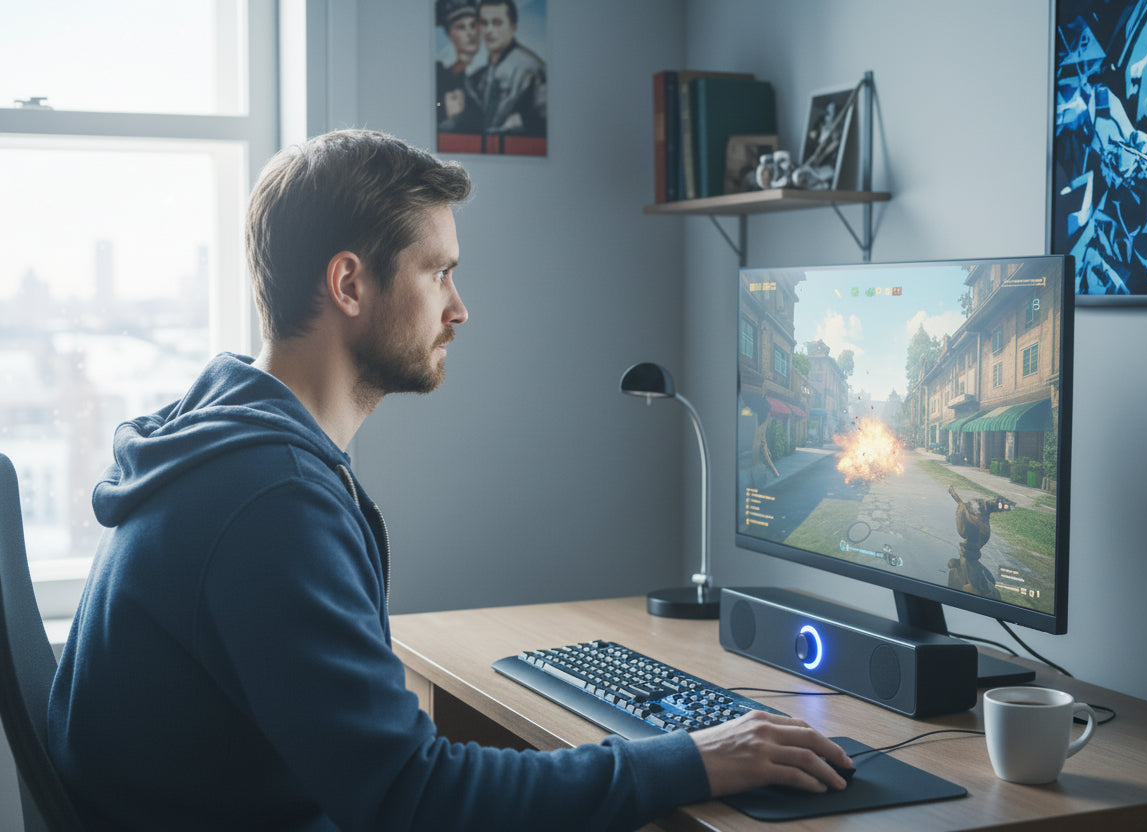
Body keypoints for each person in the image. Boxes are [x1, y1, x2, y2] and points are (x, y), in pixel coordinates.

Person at [47, 129, 852, 831]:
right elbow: (411, 797)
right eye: (439, 273)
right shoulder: (269, 501)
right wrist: (692, 760)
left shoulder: (230, 438)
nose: (459, 308)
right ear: (350, 284)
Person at [465, 0, 547, 137]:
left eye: (497, 23)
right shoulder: (477, 76)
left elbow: (540, 122)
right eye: (484, 23)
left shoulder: (531, 69)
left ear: (513, 27)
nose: (489, 30)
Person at [436, 0, 483, 133]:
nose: (470, 33)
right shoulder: (443, 77)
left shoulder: (490, 72)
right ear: (449, 34)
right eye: (461, 27)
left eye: (473, 25)